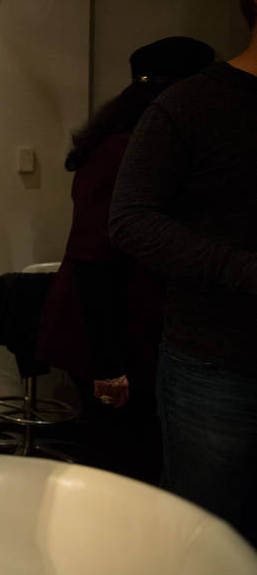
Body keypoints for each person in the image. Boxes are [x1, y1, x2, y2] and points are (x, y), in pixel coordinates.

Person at [110, 0, 257, 546]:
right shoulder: (192, 104)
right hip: (219, 364)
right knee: (207, 543)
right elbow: (130, 219)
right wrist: (243, 269)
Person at [37, 36, 214, 485]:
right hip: (111, 334)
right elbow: (92, 259)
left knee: (130, 462)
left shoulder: (123, 142)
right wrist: (108, 364)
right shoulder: (124, 150)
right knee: (123, 468)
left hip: (124, 331)